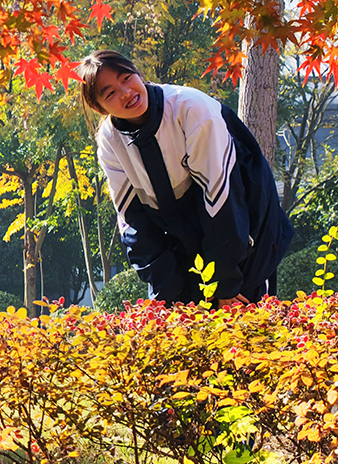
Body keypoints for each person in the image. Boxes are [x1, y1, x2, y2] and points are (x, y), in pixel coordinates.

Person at [77, 50, 293, 307]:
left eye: (126, 78)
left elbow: (223, 199)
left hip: (246, 233)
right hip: (186, 244)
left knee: (245, 323)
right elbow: (133, 221)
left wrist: (225, 283)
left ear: (138, 73)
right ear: (98, 107)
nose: (125, 92)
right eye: (110, 93)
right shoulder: (110, 141)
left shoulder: (191, 108)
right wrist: (164, 290)